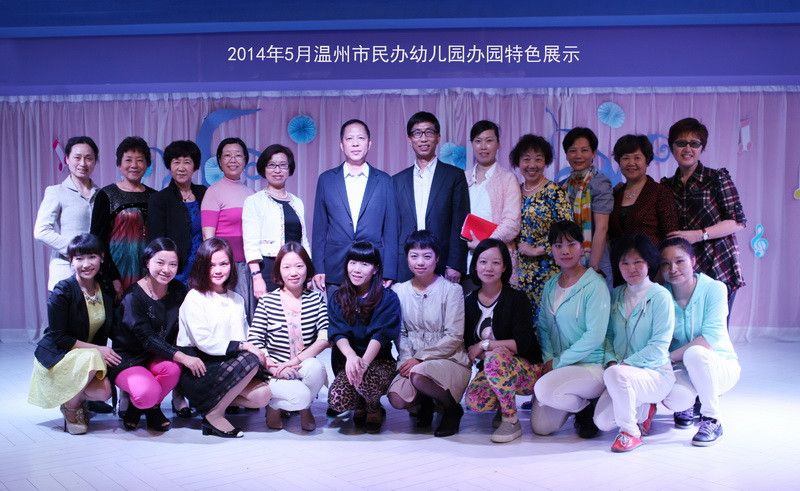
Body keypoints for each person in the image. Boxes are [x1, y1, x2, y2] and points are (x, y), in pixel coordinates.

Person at [177, 238, 271, 438]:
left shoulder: (237, 299)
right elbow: (204, 342)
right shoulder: (194, 297)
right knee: (250, 359)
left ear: (231, 265)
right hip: (200, 370)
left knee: (262, 395)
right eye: (211, 265)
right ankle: (214, 415)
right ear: (202, 266)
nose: (218, 270)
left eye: (224, 263)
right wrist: (246, 348)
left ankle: (209, 404)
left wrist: (264, 356)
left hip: (228, 366)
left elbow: (245, 337)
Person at [109, 238, 206, 432]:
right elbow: (147, 339)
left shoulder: (178, 290)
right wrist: (184, 357)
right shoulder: (132, 296)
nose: (166, 270)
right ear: (147, 262)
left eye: (173, 264)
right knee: (146, 393)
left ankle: (145, 408)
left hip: (159, 357)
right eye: (160, 262)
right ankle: (144, 403)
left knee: (173, 369)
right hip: (130, 359)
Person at [28, 234, 119, 434]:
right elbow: (60, 337)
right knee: (94, 356)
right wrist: (99, 349)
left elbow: (113, 327)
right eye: (79, 258)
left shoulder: (104, 288)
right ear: (71, 261)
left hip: (85, 358)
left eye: (92, 257)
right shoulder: (63, 291)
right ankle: (71, 408)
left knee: (104, 391)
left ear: (102, 257)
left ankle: (74, 397)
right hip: (59, 356)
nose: (86, 264)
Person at [593, 235, 676, 452]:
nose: (631, 268)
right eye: (625, 263)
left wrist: (622, 366)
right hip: (621, 372)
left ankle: (630, 432)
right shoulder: (616, 295)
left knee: (616, 376)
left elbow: (659, 346)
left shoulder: (661, 296)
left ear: (649, 262)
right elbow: (607, 336)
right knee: (602, 422)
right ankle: (644, 407)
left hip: (655, 373)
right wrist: (612, 361)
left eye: (638, 261)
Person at [530, 220, 610, 439]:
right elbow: (544, 328)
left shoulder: (595, 285)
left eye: (571, 244)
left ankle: (590, 401)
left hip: (590, 366)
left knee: (544, 389)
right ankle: (581, 405)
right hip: (559, 365)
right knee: (540, 427)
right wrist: (549, 359)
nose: (565, 251)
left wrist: (558, 362)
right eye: (558, 246)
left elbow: (595, 336)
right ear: (552, 250)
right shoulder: (550, 285)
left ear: (582, 247)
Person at [387, 231, 471, 437]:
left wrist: (420, 358)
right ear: (407, 258)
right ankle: (425, 403)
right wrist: (407, 360)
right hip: (414, 361)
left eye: (427, 256)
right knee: (397, 398)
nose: (420, 262)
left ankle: (452, 409)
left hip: (449, 359)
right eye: (414, 256)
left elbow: (454, 336)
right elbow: (401, 334)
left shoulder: (452, 290)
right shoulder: (399, 290)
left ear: (437, 258)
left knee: (419, 373)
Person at [660, 237, 740, 446]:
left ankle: (712, 419)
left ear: (693, 261)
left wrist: (666, 358)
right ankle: (687, 403)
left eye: (679, 261)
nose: (673, 268)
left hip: (718, 365)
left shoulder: (715, 289)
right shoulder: (661, 295)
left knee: (695, 352)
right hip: (681, 367)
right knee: (675, 398)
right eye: (666, 263)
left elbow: (709, 339)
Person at [660, 117, 746, 313]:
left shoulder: (716, 178)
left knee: (715, 326)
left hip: (716, 260)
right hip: (680, 266)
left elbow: (738, 221)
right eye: (681, 143)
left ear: (701, 148)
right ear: (672, 147)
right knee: (682, 323)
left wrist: (699, 234)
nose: (687, 149)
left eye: (694, 143)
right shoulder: (666, 186)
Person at [463, 239, 542, 443]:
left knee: (495, 357)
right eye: (483, 262)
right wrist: (482, 350)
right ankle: (503, 401)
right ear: (475, 265)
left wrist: (485, 345)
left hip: (526, 369)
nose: (488, 268)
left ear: (505, 266)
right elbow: (469, 348)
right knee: (475, 400)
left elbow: (522, 344)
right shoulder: (469, 302)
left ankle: (511, 419)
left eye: (496, 262)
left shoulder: (517, 299)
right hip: (493, 369)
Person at [248, 242, 329, 432]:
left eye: (299, 266)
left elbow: (325, 337)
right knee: (300, 396)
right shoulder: (267, 301)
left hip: (301, 365)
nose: (294, 272)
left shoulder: (315, 299)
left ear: (307, 268)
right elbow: (255, 340)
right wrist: (274, 368)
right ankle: (274, 406)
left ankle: (305, 408)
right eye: (287, 267)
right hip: (275, 370)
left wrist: (294, 362)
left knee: (317, 368)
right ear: (278, 270)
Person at [311, 119, 398, 291]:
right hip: (335, 267)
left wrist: (389, 270)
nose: (355, 143)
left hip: (372, 267)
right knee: (335, 309)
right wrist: (318, 267)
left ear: (369, 144)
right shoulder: (326, 179)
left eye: (361, 138)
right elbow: (319, 229)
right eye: (349, 138)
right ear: (341, 145)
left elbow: (391, 230)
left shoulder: (384, 181)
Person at [327, 242, 401, 434]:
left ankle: (374, 408)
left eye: (365, 264)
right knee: (336, 399)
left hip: (379, 361)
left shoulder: (388, 297)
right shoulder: (338, 296)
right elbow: (338, 332)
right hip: (348, 362)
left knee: (367, 381)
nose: (357, 269)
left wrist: (364, 363)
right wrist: (351, 357)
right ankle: (359, 404)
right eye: (353, 263)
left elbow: (381, 335)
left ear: (375, 269)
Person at [393, 111, 469, 283]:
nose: (423, 138)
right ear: (410, 139)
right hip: (405, 264)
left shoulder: (454, 176)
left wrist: (455, 264)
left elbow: (460, 221)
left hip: (443, 263)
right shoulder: (397, 180)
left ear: (437, 137)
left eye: (429, 132)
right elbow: (393, 227)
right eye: (417, 133)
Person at [510, 134, 572, 318]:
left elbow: (567, 231)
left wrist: (538, 249)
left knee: (546, 321)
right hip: (517, 271)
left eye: (538, 159)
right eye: (526, 159)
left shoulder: (555, 192)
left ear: (546, 162)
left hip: (547, 270)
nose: (532, 165)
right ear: (518, 162)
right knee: (521, 321)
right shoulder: (514, 190)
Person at [90, 136, 156, 300]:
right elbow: (97, 240)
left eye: (140, 160)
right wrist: (111, 276)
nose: (134, 165)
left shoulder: (155, 196)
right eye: (128, 160)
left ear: (147, 164)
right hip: (116, 271)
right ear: (119, 164)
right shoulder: (106, 195)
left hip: (149, 270)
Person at [608, 134, 678, 286]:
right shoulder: (615, 194)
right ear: (619, 162)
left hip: (652, 273)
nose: (631, 163)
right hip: (621, 272)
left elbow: (671, 237)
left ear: (647, 160)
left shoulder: (661, 193)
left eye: (637, 157)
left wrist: (661, 272)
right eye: (625, 158)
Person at [34, 136, 100, 291]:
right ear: (67, 159)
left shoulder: (101, 194)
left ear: (95, 162)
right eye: (77, 157)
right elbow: (41, 231)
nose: (83, 163)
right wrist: (76, 251)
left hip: (95, 275)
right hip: (65, 272)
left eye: (89, 158)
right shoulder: (56, 191)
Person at [243, 144, 310, 295]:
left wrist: (309, 271)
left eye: (282, 165)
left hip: (296, 270)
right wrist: (256, 277)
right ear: (264, 168)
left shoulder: (297, 202)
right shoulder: (254, 201)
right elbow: (250, 243)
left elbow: (304, 240)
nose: (277, 170)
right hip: (268, 268)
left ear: (289, 169)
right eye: (272, 165)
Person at [201, 137, 255, 321]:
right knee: (229, 318)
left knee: (248, 316)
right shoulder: (213, 192)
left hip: (249, 265)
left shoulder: (251, 193)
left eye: (238, 155)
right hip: (226, 267)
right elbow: (208, 238)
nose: (233, 160)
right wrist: (217, 268)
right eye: (227, 155)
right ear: (219, 161)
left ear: (245, 160)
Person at [464, 120, 521, 285]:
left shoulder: (508, 179)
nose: (483, 147)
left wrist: (484, 246)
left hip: (497, 263)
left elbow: (512, 224)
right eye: (478, 141)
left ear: (498, 144)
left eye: (489, 141)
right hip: (466, 263)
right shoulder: (462, 178)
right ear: (472, 144)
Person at [147, 140, 207, 285]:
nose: (181, 168)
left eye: (187, 162)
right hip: (174, 270)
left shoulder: (204, 193)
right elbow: (156, 240)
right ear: (169, 166)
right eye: (176, 162)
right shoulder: (159, 199)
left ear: (195, 166)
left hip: (202, 267)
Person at [559, 127, 614, 285]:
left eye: (584, 150)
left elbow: (602, 228)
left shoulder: (600, 183)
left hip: (596, 258)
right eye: (573, 151)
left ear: (593, 153)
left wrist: (592, 269)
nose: (578, 156)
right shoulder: (563, 185)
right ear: (566, 154)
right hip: (568, 258)